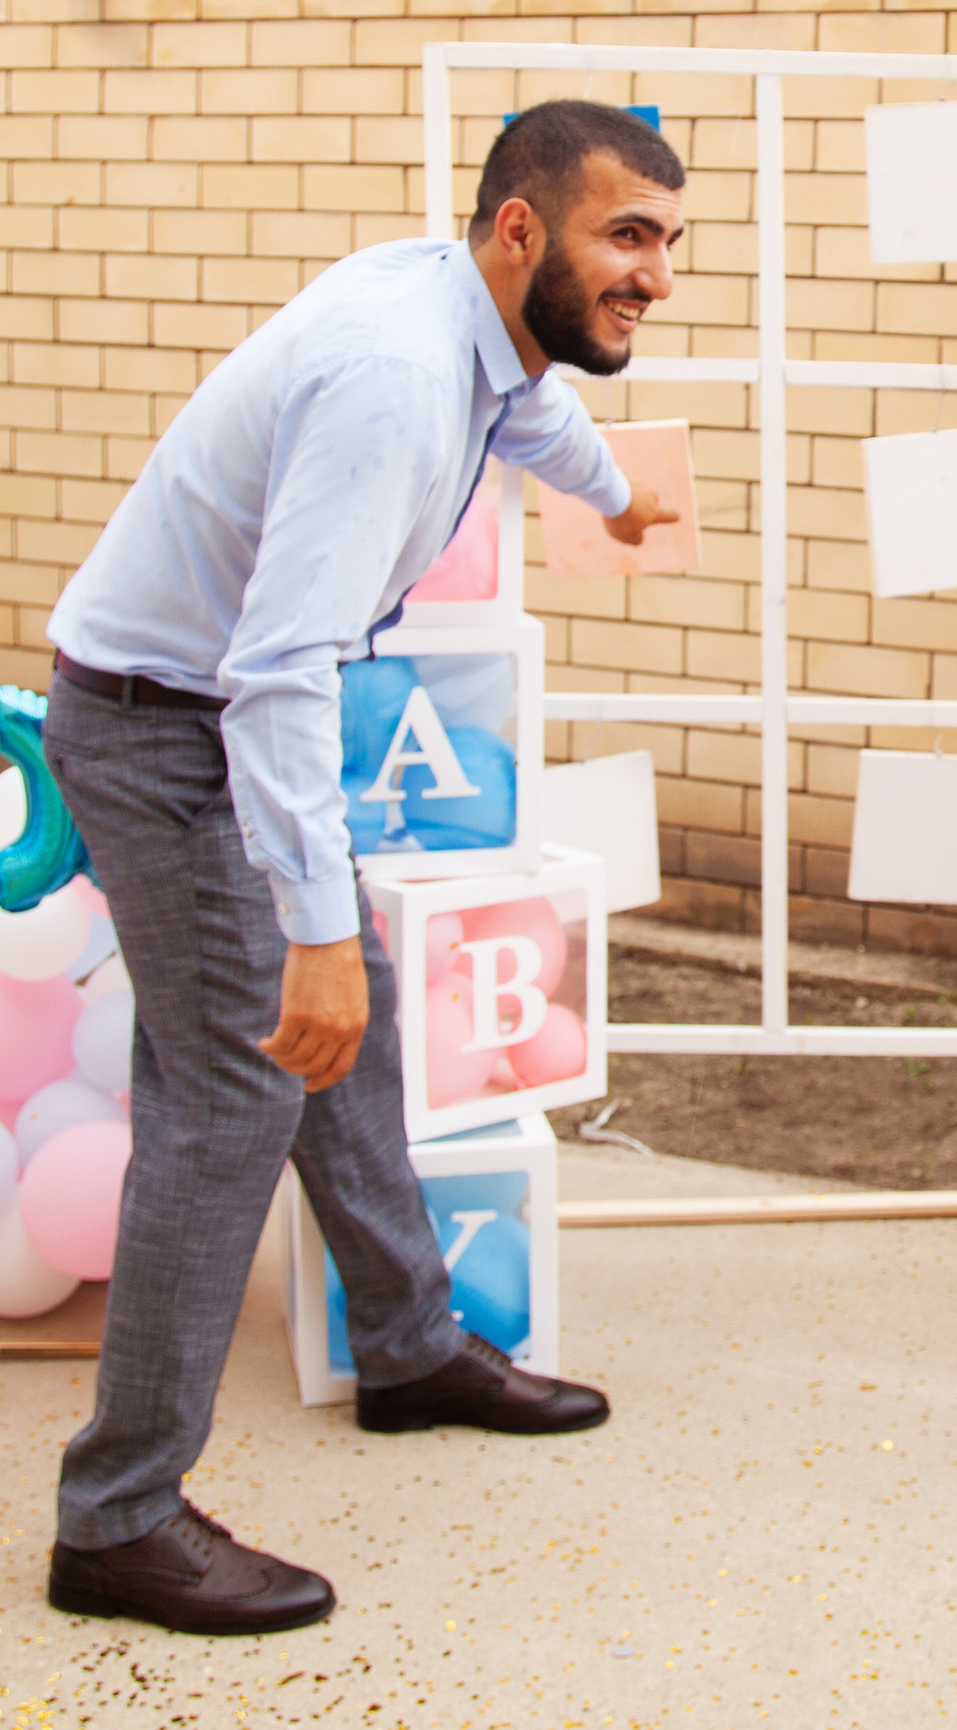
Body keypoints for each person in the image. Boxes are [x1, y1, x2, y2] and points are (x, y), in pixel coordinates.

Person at [41, 99, 684, 1636]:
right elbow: (276, 672)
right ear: (520, 229)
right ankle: (115, 1520)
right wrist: (312, 929)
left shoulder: (467, 322)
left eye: (666, 241)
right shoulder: (397, 376)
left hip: (202, 714)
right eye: (627, 236)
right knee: (235, 1098)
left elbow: (525, 416)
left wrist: (613, 489)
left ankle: (407, 1349)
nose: (654, 274)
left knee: (360, 1025)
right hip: (167, 730)